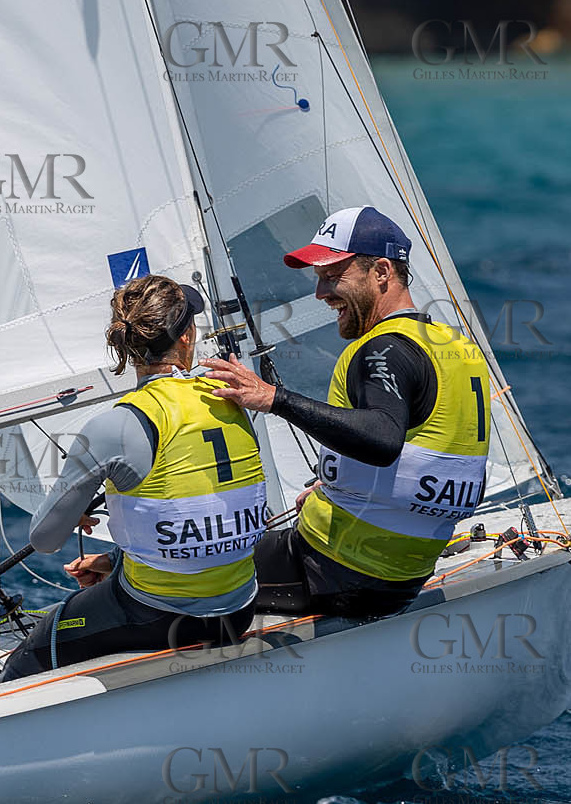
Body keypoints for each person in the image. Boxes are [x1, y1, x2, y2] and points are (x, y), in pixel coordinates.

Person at [203, 206, 490, 618]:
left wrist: (274, 398)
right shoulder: (453, 345)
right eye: (319, 279)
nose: (321, 293)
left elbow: (381, 438)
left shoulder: (384, 348)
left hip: (334, 570)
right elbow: (431, 452)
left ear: (381, 273)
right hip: (403, 576)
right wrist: (336, 487)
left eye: (333, 276)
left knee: (162, 577)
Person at [0, 275, 268, 682]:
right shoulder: (232, 400)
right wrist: (114, 561)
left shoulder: (117, 426)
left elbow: (44, 540)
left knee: (45, 639)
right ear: (188, 337)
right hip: (239, 609)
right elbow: (203, 513)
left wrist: (69, 514)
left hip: (160, 616)